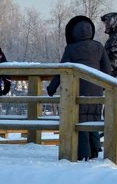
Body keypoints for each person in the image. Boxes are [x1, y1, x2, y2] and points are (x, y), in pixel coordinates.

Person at [47, 15, 110, 160]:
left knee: (79, 120)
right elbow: (107, 68)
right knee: (93, 118)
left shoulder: (71, 48)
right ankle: (95, 150)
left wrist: (52, 87)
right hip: (96, 90)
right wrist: (105, 86)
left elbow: (63, 70)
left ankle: (83, 153)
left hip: (77, 89)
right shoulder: (98, 46)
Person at [102, 11, 117, 79]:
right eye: (105, 23)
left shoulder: (116, 39)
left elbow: (112, 63)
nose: (106, 26)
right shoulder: (114, 37)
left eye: (108, 23)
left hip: (114, 80)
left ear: (115, 22)